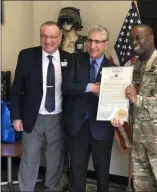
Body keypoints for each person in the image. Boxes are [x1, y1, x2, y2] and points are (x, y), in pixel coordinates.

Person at [111, 24, 157, 192]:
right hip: (139, 144)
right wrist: (116, 113)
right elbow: (126, 101)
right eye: (131, 39)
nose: (134, 42)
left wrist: (139, 99)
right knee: (142, 189)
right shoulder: (131, 69)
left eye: (138, 38)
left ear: (151, 38)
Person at [10, 21, 72, 191]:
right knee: (29, 158)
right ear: (40, 37)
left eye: (52, 37)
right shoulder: (26, 55)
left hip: (58, 117)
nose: (48, 40)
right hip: (32, 116)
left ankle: (51, 188)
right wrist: (16, 116)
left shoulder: (69, 58)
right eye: (44, 36)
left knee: (55, 158)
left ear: (60, 38)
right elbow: (16, 89)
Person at [62, 25, 114, 192]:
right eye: (90, 40)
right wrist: (89, 87)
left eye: (98, 42)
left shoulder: (114, 70)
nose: (92, 46)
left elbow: (117, 101)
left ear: (106, 44)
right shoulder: (75, 60)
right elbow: (65, 86)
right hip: (78, 127)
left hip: (102, 128)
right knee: (76, 176)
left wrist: (118, 112)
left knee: (103, 176)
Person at [57, 6, 87, 190]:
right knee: (59, 142)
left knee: (76, 145)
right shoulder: (55, 41)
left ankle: (75, 180)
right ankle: (61, 176)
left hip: (77, 98)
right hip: (57, 97)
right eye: (63, 20)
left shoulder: (85, 42)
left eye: (69, 20)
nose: (66, 24)